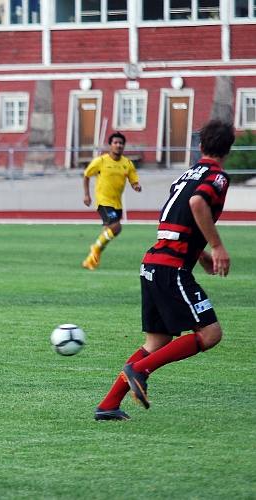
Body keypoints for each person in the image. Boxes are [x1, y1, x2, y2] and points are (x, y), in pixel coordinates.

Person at [94, 119, 235, 421]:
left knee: (156, 342)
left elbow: (178, 219)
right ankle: (140, 370)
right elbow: (197, 204)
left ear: (200, 146)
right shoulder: (217, 176)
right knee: (210, 333)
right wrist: (216, 247)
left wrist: (200, 254)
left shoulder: (185, 176)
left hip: (153, 263)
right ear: (229, 150)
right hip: (172, 268)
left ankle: (108, 405)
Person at [82, 132, 142, 270]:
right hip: (103, 201)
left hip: (117, 203)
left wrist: (136, 186)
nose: (118, 145)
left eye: (121, 143)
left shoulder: (127, 164)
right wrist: (87, 195)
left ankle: (89, 261)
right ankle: (94, 248)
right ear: (110, 145)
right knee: (116, 227)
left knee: (106, 233)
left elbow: (133, 180)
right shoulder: (101, 161)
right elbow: (86, 175)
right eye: (115, 143)